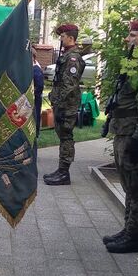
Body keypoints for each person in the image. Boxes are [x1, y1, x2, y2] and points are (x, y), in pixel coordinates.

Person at [102, 19, 138, 254]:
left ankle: (133, 236)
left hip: (135, 136)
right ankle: (128, 229)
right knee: (129, 186)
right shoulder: (135, 64)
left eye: (132, 35)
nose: (127, 38)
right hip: (124, 131)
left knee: (137, 188)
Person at [43, 24, 85, 186]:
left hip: (67, 105)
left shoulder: (73, 57)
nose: (60, 39)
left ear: (70, 38)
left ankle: (64, 172)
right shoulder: (67, 55)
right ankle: (61, 170)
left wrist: (60, 105)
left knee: (66, 136)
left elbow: (69, 85)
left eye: (62, 36)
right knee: (63, 136)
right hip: (62, 103)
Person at [31, 49, 44, 138]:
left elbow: (39, 86)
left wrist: (32, 93)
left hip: (35, 98)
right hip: (30, 98)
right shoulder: (30, 68)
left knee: (35, 115)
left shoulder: (36, 69)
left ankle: (35, 132)